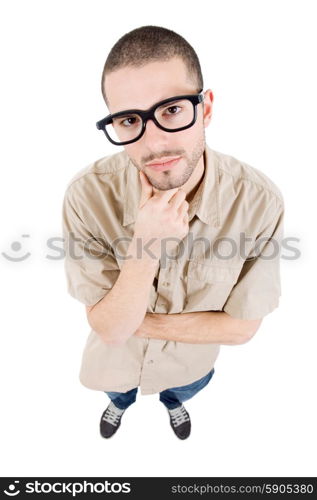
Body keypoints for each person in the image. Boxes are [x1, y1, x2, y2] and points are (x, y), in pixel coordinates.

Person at [61, 25, 284, 440]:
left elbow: (242, 330)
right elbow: (110, 334)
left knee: (182, 390)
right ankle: (118, 405)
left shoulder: (258, 202)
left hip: (190, 366)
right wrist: (147, 244)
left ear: (207, 108)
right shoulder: (86, 195)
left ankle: (173, 403)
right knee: (118, 392)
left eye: (172, 110)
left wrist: (128, 320)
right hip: (116, 364)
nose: (156, 142)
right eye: (129, 120)